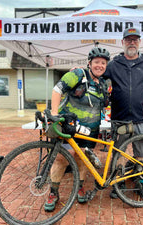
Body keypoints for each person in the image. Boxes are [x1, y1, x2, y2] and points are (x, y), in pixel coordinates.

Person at [44, 47, 110, 212]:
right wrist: (54, 113)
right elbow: (57, 90)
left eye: (103, 63)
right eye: (97, 62)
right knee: (61, 158)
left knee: (82, 159)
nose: (100, 65)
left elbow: (105, 106)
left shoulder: (103, 84)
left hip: (90, 130)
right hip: (69, 126)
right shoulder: (78, 74)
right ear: (90, 63)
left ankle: (80, 187)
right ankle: (53, 192)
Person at [103, 27, 143, 198]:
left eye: (135, 40)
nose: (132, 42)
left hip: (141, 118)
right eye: (128, 40)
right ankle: (118, 184)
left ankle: (141, 184)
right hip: (119, 118)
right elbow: (97, 76)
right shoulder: (113, 64)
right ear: (122, 42)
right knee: (119, 152)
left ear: (139, 42)